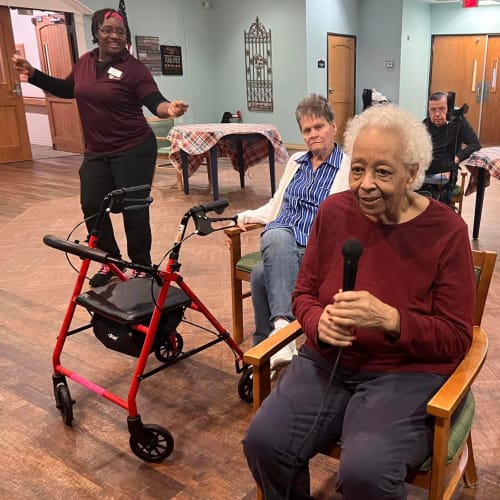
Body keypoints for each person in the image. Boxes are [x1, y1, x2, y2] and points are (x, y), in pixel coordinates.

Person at [243, 104, 475, 499]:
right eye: (357, 169)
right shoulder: (334, 212)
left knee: (366, 472)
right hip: (327, 361)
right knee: (264, 442)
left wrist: (393, 320)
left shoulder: (446, 231)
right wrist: (317, 322)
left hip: (405, 372)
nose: (365, 184)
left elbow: (456, 337)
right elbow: (303, 295)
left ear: (412, 174)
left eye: (383, 172)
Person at [12, 8, 188, 287]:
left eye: (120, 31)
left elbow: (153, 99)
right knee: (92, 206)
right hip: (96, 150)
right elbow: (68, 89)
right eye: (107, 30)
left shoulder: (134, 69)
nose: (114, 35)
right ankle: (109, 261)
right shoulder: (85, 62)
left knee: (134, 209)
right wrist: (33, 74)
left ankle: (142, 266)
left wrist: (169, 109)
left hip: (134, 148)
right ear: (96, 33)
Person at [235, 93, 350, 368]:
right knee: (263, 268)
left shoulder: (347, 167)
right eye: (306, 130)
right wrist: (247, 214)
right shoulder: (296, 162)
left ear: (334, 126)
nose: (313, 135)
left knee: (266, 263)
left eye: (319, 127)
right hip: (283, 244)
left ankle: (276, 339)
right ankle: (275, 344)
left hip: (315, 250)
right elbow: (278, 203)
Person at [420, 90, 480, 205]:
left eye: (441, 109)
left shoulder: (458, 123)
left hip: (446, 173)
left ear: (448, 109)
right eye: (433, 110)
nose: (437, 114)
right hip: (425, 172)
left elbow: (475, 143)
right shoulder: (425, 124)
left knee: (434, 200)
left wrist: (457, 157)